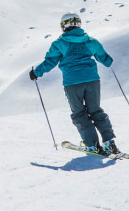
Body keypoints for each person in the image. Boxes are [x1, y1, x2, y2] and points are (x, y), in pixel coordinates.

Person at [29, 12, 119, 154]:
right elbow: (105, 59)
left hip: (73, 83)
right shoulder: (90, 41)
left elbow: (50, 61)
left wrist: (36, 73)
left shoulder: (60, 44)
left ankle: (92, 145)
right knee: (96, 110)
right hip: (92, 80)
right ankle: (109, 142)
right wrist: (107, 60)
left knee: (79, 113)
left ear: (64, 26)